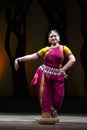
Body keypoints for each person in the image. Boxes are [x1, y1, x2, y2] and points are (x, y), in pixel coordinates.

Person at [14, 30, 76, 119]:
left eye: (55, 36)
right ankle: (47, 114)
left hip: (58, 75)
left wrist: (63, 69)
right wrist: (19, 59)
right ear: (49, 39)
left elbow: (73, 59)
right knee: (45, 94)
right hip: (44, 73)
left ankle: (53, 109)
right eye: (51, 36)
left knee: (59, 96)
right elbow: (33, 56)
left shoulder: (64, 48)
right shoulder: (46, 49)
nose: (53, 38)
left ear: (58, 38)